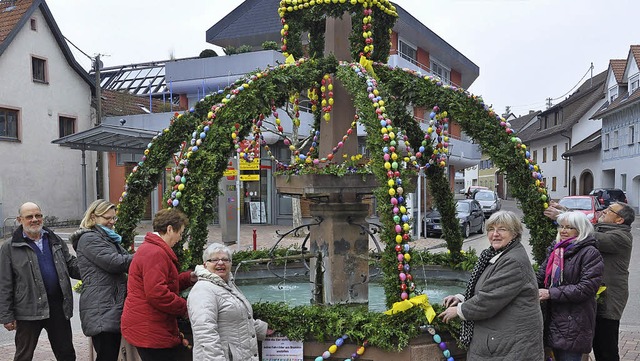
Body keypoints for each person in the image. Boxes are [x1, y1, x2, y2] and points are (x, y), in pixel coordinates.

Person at [438, 210, 543, 360]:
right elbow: (486, 285)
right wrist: (461, 298)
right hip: (503, 339)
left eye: (502, 229)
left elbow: (490, 299)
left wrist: (460, 310)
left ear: (514, 233)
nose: (495, 234)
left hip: (511, 344)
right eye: (491, 229)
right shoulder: (497, 254)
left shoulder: (513, 261)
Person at [545, 201, 635, 361]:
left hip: (608, 300)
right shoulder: (604, 228)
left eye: (609, 210)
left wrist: (562, 217)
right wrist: (566, 212)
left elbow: (586, 232)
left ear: (619, 220)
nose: (603, 211)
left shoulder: (621, 237)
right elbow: (585, 226)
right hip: (592, 298)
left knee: (605, 347)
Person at [0, 202, 81, 361]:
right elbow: (4, 283)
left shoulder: (54, 239)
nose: (35, 219)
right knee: (24, 355)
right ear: (19, 219)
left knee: (66, 354)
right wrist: (6, 315)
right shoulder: (10, 247)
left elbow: (71, 264)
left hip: (58, 307)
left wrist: (93, 269)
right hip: (28, 310)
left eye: (38, 215)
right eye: (29, 216)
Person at [121, 208, 196, 361]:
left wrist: (189, 278)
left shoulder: (152, 249)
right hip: (150, 328)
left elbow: (165, 284)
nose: (180, 238)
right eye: (180, 233)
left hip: (147, 325)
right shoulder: (155, 253)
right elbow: (158, 293)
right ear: (169, 229)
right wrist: (188, 307)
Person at [68, 199, 133, 361]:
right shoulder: (90, 239)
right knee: (106, 356)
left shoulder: (109, 239)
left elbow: (125, 260)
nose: (111, 222)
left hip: (108, 306)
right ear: (93, 217)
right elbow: (115, 263)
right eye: (107, 218)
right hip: (101, 307)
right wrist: (146, 253)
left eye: (113, 218)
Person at [187, 243, 273, 361]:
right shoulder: (203, 290)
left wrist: (262, 329)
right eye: (214, 260)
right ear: (205, 265)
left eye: (225, 259)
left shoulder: (227, 284)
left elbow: (236, 317)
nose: (221, 263)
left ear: (230, 263)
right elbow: (206, 333)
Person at [538, 211, 604, 361]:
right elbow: (541, 276)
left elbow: (586, 288)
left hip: (573, 323)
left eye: (569, 227)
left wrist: (550, 293)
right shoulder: (556, 251)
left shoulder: (590, 253)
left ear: (581, 229)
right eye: (561, 226)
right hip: (552, 319)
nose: (563, 231)